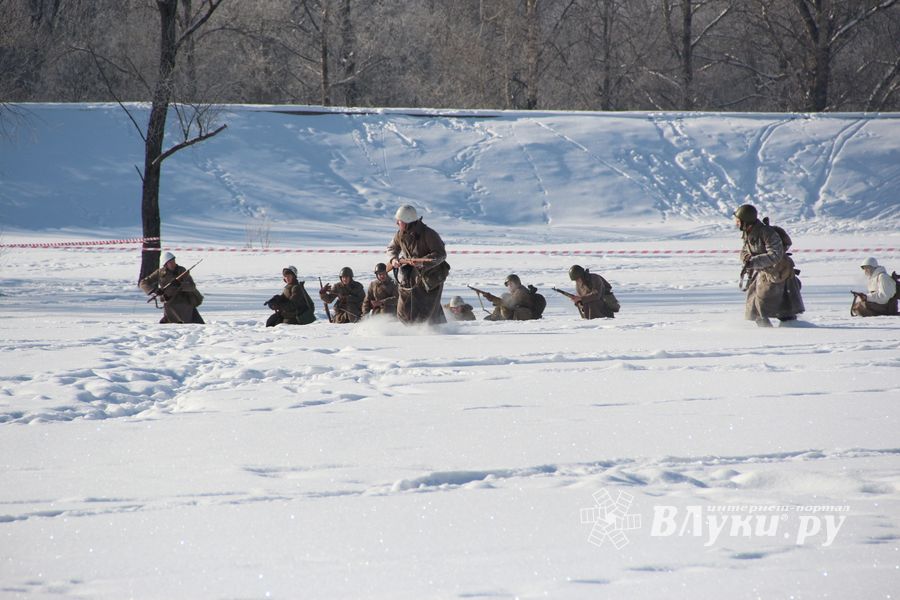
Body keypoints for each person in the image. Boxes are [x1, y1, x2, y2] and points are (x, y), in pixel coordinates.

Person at [733, 204, 805, 327]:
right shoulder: (748, 233)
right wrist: (746, 258)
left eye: (738, 221)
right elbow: (745, 250)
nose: (736, 224)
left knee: (783, 311)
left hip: (779, 274)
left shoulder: (767, 233)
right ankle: (765, 334)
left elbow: (776, 254)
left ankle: (790, 331)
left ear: (746, 221)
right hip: (763, 274)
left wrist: (754, 261)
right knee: (756, 309)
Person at [387, 204, 450, 324]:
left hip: (430, 278)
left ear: (407, 221)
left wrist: (423, 262)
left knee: (428, 315)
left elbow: (441, 254)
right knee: (404, 311)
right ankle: (412, 334)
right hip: (409, 277)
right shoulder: (400, 234)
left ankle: (436, 336)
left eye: (399, 221)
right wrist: (393, 260)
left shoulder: (429, 234)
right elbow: (391, 248)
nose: (396, 223)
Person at [139, 251, 205, 324]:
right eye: (170, 262)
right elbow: (143, 283)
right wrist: (154, 290)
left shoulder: (182, 271)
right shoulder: (160, 272)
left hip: (184, 303)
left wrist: (180, 285)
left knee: (191, 324)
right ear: (165, 264)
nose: (173, 263)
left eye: (174, 261)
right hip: (169, 303)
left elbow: (192, 286)